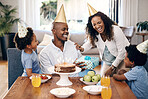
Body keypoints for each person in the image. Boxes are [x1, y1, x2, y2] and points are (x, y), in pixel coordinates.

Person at [39, 5, 93, 77]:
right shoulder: (45, 53)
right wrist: (72, 68)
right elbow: (50, 75)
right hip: (55, 85)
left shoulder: (74, 46)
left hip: (74, 82)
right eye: (63, 29)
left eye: (67, 29)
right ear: (54, 31)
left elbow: (81, 67)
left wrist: (82, 66)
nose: (67, 32)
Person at [76, 11, 130, 77]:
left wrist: (112, 68)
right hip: (108, 62)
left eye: (99, 23)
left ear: (104, 21)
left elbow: (122, 52)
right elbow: (89, 43)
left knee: (120, 80)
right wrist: (81, 48)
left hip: (122, 60)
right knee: (104, 80)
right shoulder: (96, 34)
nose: (97, 26)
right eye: (94, 24)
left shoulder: (115, 30)